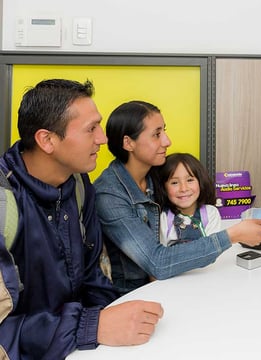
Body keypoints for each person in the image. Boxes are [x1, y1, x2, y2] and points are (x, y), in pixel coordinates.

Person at [0, 79, 163, 360]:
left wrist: (108, 323)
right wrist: (93, 327)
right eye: (91, 129)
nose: (102, 138)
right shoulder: (5, 203)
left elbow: (93, 278)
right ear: (46, 140)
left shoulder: (78, 185)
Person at [94, 101, 261, 295]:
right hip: (137, 295)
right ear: (129, 143)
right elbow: (158, 262)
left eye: (164, 131)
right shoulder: (109, 195)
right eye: (157, 134)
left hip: (175, 282)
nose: (167, 141)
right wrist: (233, 235)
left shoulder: (156, 175)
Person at [156, 152, 222, 246]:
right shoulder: (163, 218)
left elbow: (213, 250)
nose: (183, 188)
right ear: (163, 187)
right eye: (174, 183)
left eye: (190, 180)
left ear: (201, 182)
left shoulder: (210, 213)